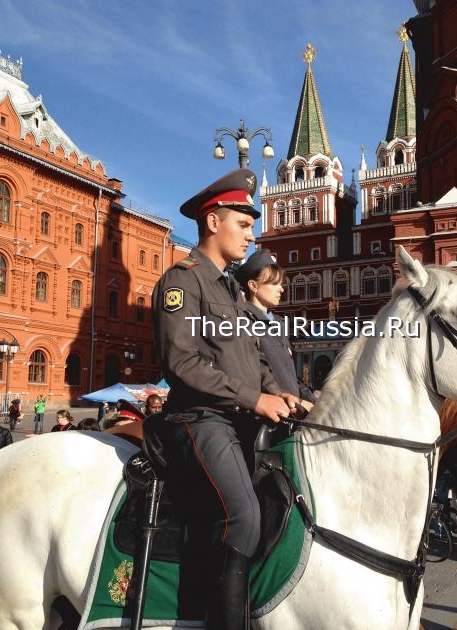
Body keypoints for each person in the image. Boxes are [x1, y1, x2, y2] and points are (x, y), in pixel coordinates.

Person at [147, 168, 299, 629]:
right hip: (199, 419)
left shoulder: (232, 291)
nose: (252, 234)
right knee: (244, 515)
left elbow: (255, 358)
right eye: (244, 223)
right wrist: (255, 399)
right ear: (214, 222)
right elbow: (183, 364)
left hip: (239, 419)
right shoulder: (182, 282)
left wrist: (285, 395)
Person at [235, 248, 317, 409]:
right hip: (267, 414)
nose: (282, 289)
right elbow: (258, 376)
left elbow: (291, 377)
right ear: (253, 285)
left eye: (281, 284)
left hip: (293, 412)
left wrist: (315, 401)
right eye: (274, 284)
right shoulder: (243, 320)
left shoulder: (279, 323)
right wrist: (298, 403)